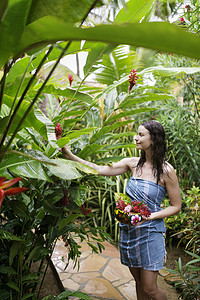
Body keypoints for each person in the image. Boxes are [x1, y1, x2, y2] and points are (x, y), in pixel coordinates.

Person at [62, 120, 182, 300]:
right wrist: (70, 155)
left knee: (150, 288)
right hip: (129, 232)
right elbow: (98, 169)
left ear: (154, 139)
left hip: (151, 233)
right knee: (139, 283)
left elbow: (176, 206)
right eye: (137, 134)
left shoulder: (166, 170)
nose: (136, 138)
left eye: (141, 135)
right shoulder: (132, 164)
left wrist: (150, 217)